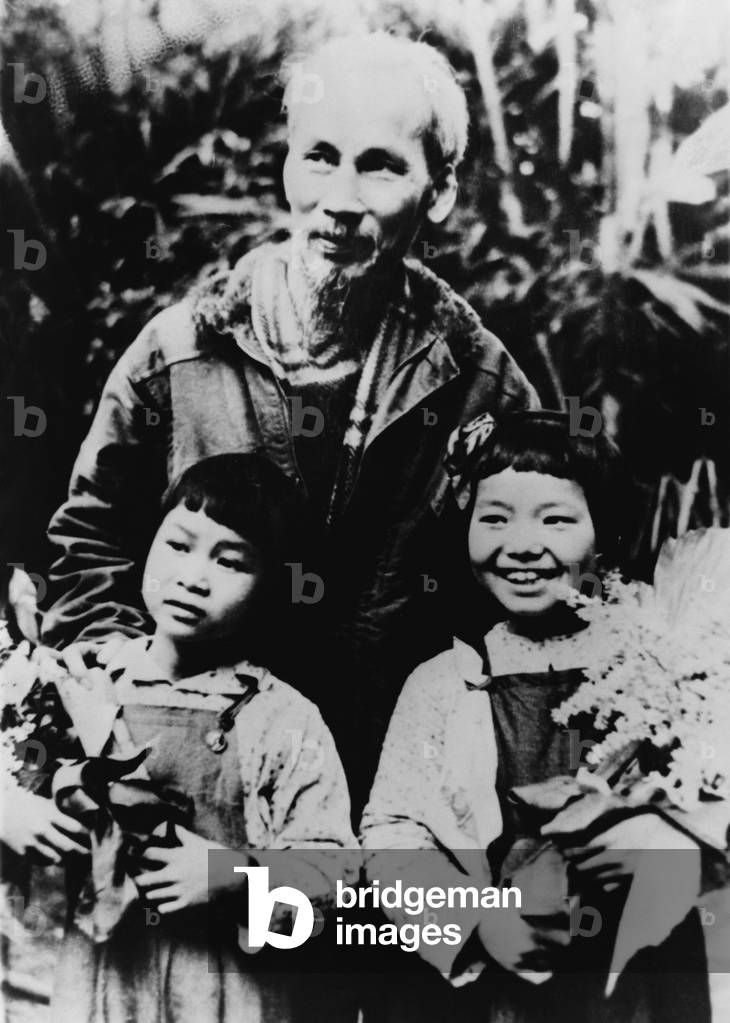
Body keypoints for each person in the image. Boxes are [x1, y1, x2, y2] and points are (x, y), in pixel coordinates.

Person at [40, 32, 538, 814]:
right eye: (320, 156)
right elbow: (89, 548)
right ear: (286, 165)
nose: (341, 199)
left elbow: (523, 593)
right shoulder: (179, 353)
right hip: (186, 789)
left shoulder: (481, 383)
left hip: (391, 798)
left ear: (438, 191)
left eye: (380, 165)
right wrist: (148, 717)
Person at [360, 411, 711, 1022]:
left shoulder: (660, 665)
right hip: (493, 982)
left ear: (606, 533)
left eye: (556, 519)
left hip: (633, 980)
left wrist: (669, 844)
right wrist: (472, 921)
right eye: (494, 518)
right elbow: (393, 832)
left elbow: (711, 796)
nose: (521, 544)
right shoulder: (444, 683)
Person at [3, 453, 358, 1023]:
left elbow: (335, 882)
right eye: (178, 545)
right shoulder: (81, 680)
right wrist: (7, 807)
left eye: (230, 561)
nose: (194, 577)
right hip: (101, 986)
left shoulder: (281, 718)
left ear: (270, 584)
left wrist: (229, 876)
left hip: (224, 994)